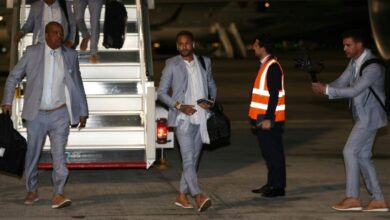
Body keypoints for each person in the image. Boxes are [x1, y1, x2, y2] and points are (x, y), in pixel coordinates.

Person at [1, 22, 89, 209]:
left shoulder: (70, 56)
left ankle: (58, 193)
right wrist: (7, 100)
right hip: (36, 115)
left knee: (59, 155)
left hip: (60, 114)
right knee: (32, 154)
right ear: (47, 35)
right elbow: (13, 76)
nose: (60, 35)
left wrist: (83, 111)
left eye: (61, 33)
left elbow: (77, 84)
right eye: (56, 33)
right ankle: (32, 190)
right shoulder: (32, 53)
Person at [311, 29, 388, 212]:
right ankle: (378, 200)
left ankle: (353, 198)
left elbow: (354, 90)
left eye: (348, 45)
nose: (344, 48)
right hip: (363, 116)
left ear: (359, 45)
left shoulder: (373, 67)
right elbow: (342, 82)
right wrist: (326, 87)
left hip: (369, 118)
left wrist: (327, 90)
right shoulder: (354, 62)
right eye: (344, 45)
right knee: (362, 156)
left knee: (349, 151)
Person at [157, 30, 217, 212]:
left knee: (193, 159)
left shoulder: (204, 62)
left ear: (193, 44)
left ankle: (181, 195)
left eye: (187, 43)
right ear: (177, 46)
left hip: (202, 118)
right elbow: (161, 92)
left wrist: (211, 101)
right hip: (183, 119)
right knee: (188, 160)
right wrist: (179, 106)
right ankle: (198, 195)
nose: (184, 46)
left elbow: (212, 85)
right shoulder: (171, 64)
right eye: (180, 44)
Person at [249, 34, 286, 197]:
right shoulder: (265, 65)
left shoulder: (272, 66)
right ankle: (271, 183)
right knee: (268, 153)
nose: (253, 47)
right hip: (261, 118)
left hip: (269, 119)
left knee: (274, 153)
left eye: (256, 45)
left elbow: (274, 96)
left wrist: (268, 119)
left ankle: (278, 187)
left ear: (263, 47)